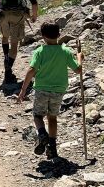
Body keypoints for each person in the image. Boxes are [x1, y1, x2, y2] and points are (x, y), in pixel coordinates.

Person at [17, 22, 83, 159]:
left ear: (43, 36)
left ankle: (42, 135)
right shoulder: (65, 51)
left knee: (37, 115)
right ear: (59, 35)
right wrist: (79, 58)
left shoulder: (40, 52)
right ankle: (52, 148)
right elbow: (78, 70)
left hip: (41, 89)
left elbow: (31, 70)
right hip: (58, 91)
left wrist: (23, 90)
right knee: (52, 118)